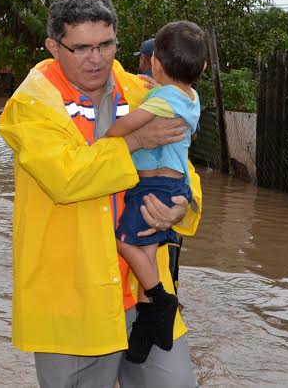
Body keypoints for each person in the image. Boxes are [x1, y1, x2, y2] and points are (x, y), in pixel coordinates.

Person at [0, 0, 203, 387]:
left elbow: (184, 167)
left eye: (106, 45)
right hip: (73, 300)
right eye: (81, 48)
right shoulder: (31, 105)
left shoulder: (144, 92)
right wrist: (135, 141)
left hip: (146, 291)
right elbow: (67, 177)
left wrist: (183, 205)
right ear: (54, 47)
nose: (97, 58)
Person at [105, 21, 206, 363]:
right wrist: (155, 88)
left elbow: (123, 128)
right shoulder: (190, 97)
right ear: (202, 69)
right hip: (173, 184)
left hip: (153, 186)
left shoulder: (163, 99)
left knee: (124, 243)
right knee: (146, 251)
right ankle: (149, 322)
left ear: (155, 63)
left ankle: (160, 299)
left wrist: (108, 136)